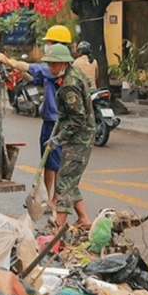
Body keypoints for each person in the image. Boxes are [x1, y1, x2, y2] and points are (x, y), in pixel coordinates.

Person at [0, 24, 74, 204]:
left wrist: (10, 61)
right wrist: (16, 72)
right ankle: (49, 197)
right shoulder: (54, 67)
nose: (46, 46)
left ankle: (54, 200)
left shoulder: (58, 66)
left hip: (56, 122)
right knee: (50, 162)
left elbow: (34, 68)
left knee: (54, 162)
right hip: (50, 120)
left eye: (49, 42)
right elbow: (33, 77)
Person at [43, 43, 94, 229]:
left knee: (63, 183)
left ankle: (58, 226)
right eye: (49, 64)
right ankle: (84, 219)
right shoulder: (75, 74)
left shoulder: (68, 86)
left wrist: (59, 138)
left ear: (64, 63)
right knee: (70, 179)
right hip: (81, 136)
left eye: (54, 64)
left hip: (79, 138)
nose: (51, 67)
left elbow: (77, 119)